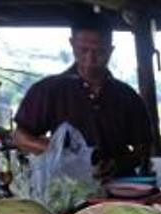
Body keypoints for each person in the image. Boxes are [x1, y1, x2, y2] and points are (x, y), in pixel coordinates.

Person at [13, 15, 152, 179]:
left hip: (118, 190)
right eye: (83, 50)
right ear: (72, 44)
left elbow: (143, 146)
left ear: (111, 49)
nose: (90, 59)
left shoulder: (127, 96)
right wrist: (61, 155)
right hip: (65, 189)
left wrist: (119, 163)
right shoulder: (49, 90)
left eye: (100, 52)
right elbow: (20, 137)